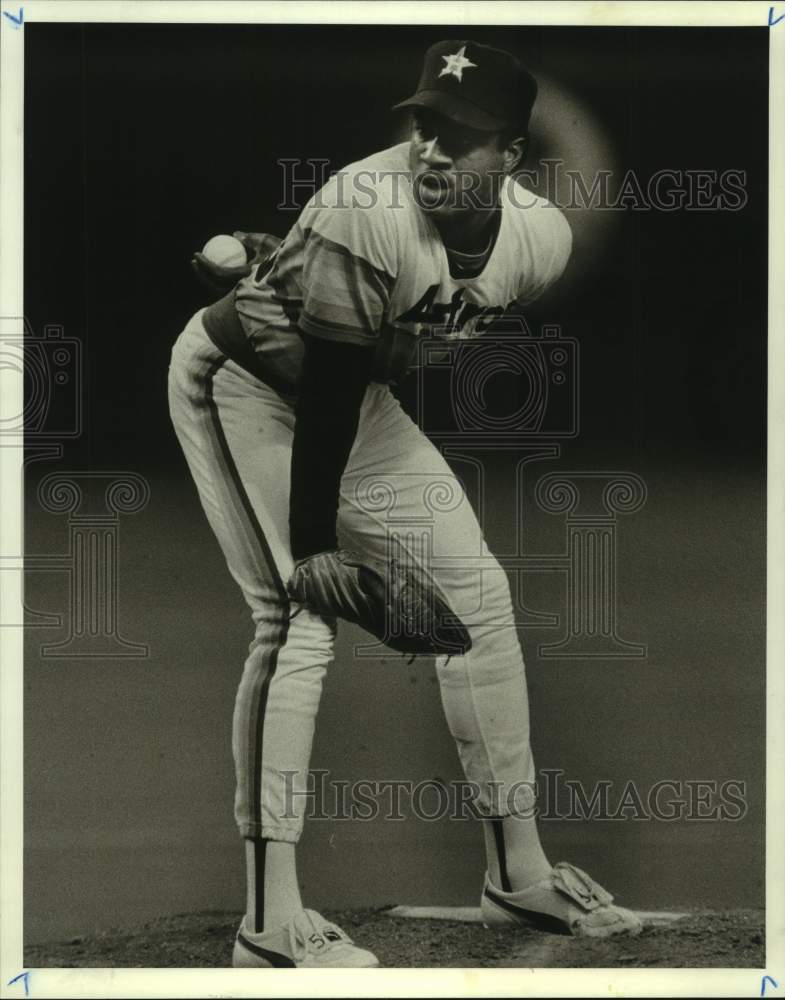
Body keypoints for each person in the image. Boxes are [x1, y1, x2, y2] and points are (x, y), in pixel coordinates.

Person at [168, 38, 642, 969]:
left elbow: (374, 357)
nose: (430, 147)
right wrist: (313, 548)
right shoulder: (363, 204)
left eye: (458, 135)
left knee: (482, 602)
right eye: (425, 123)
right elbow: (331, 389)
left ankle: (518, 874)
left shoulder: (538, 243)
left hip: (351, 402)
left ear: (510, 154)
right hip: (242, 385)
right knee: (295, 621)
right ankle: (268, 925)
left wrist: (295, 272)